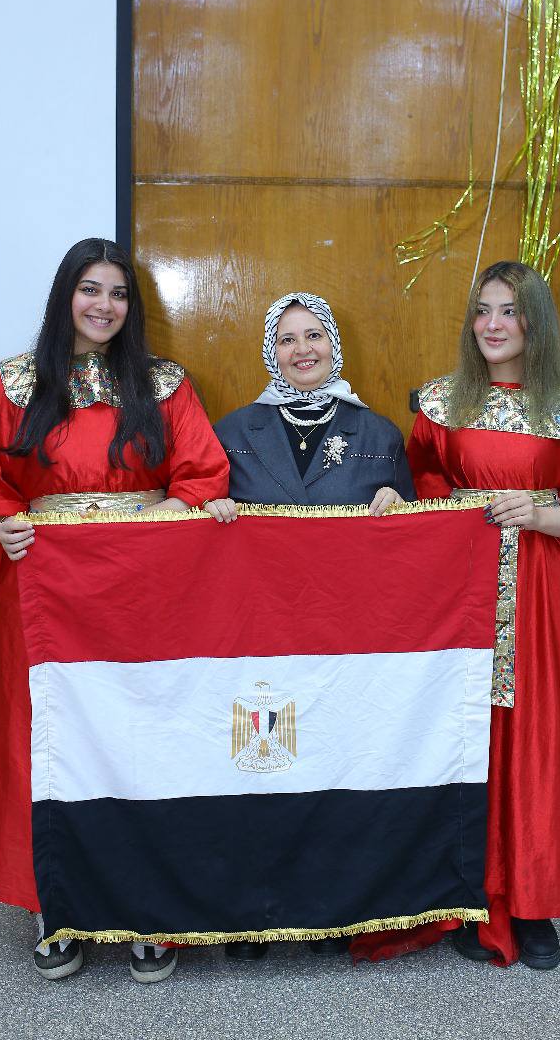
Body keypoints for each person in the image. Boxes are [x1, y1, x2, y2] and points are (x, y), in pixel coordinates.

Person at [0, 238, 229, 983]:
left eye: (118, 293)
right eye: (90, 289)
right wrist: (5, 523)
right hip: (47, 597)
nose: (104, 306)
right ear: (64, 296)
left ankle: (149, 906)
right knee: (48, 746)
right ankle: (55, 904)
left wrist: (165, 516)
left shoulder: (163, 386)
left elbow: (201, 474)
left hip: (142, 596)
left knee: (144, 741)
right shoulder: (12, 387)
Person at [398, 260, 560, 970]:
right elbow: (420, 484)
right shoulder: (440, 403)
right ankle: (472, 895)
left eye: (509, 311)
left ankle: (533, 903)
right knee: (467, 736)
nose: (492, 325)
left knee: (539, 742)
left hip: (542, 593)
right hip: (460, 588)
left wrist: (539, 512)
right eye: (483, 310)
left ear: (534, 323)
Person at [204, 290, 416, 958]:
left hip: (344, 640)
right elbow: (199, 522)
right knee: (260, 773)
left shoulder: (378, 434)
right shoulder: (233, 432)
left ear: (333, 345)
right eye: (287, 339)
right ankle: (254, 914)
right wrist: (209, 510)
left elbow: (414, 545)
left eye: (313, 335)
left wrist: (399, 503)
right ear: (272, 352)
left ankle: (331, 911)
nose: (302, 350)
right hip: (258, 639)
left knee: (336, 769)